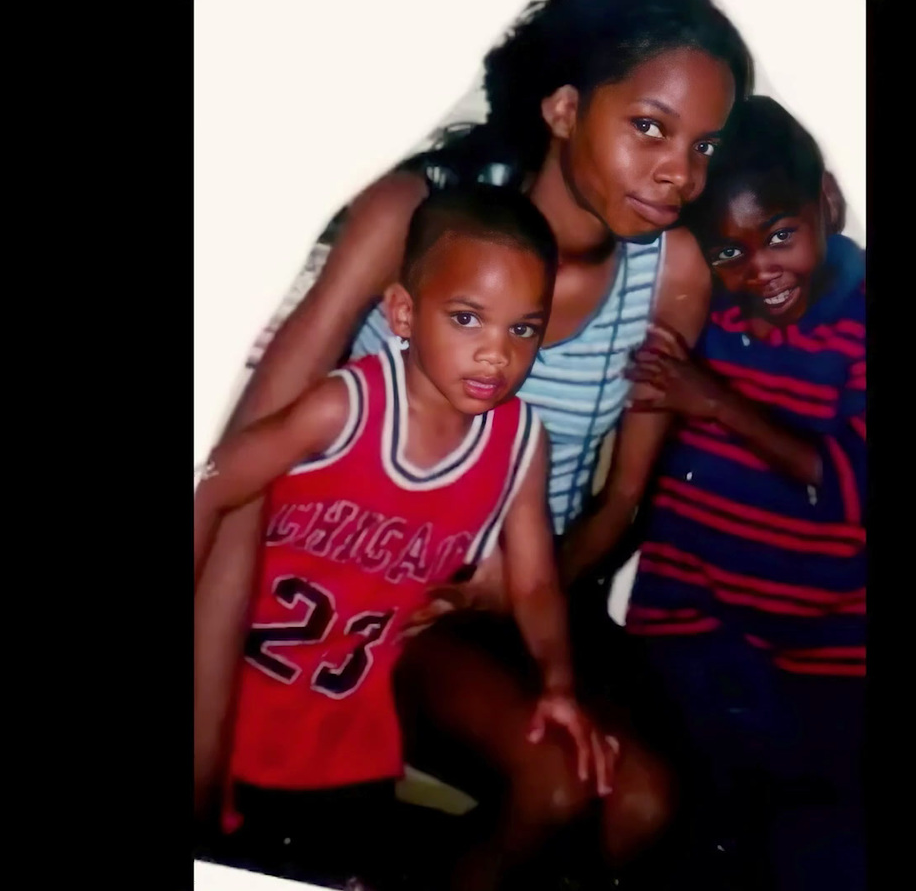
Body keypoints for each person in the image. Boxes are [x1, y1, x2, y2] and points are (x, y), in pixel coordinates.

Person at [194, 0, 760, 885]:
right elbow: (242, 468)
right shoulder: (418, 218)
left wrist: (519, 588)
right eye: (649, 128)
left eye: (704, 146)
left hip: (519, 596)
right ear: (566, 110)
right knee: (560, 787)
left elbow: (619, 502)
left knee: (650, 801)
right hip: (356, 592)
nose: (679, 173)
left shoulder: (671, 271)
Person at [193, 184, 611, 889]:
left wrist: (559, 682)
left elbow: (535, 580)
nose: (495, 354)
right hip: (241, 701)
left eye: (522, 329)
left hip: (351, 731)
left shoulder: (517, 443)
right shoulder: (344, 407)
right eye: (468, 319)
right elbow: (212, 484)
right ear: (404, 313)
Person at [621, 95, 866, 890]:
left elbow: (852, 489)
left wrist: (715, 399)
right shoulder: (710, 316)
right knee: (694, 844)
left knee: (821, 857)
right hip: (691, 633)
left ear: (825, 201)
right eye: (728, 253)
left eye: (781, 236)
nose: (759, 270)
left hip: (831, 660)